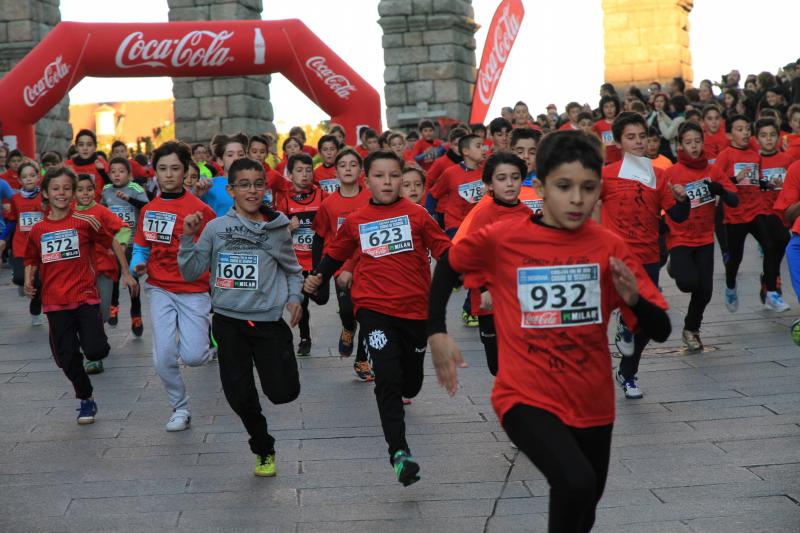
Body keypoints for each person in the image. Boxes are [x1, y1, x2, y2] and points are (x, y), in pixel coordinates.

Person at [427, 130, 670, 533]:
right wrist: (436, 332)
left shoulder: (608, 246)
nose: (576, 199)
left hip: (593, 402)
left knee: (584, 509)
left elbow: (660, 329)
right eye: (563, 186)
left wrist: (635, 300)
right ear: (539, 188)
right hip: (525, 397)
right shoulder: (504, 238)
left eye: (588, 188)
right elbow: (449, 265)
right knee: (576, 481)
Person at [304, 151, 451, 486]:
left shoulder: (418, 215)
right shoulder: (357, 219)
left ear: (402, 179)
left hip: (415, 311)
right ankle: (399, 453)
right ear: (367, 181)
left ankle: (406, 386)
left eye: (394, 176)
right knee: (387, 378)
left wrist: (468, 273)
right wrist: (318, 277)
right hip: (373, 309)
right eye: (379, 176)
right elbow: (335, 253)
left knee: (410, 383)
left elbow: (445, 250)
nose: (387, 182)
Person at [178, 157, 303, 477]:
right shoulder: (215, 229)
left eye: (258, 184)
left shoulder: (277, 229)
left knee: (284, 393)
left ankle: (281, 371)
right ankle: (263, 447)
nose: (252, 190)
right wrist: (187, 240)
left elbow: (293, 270)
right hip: (228, 321)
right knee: (239, 394)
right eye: (244, 185)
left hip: (268, 323)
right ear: (231, 190)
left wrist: (294, 298)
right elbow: (191, 272)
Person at [602, 112, 689, 399]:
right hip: (615, 255)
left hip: (649, 255)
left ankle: (628, 373)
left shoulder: (659, 175)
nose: (639, 142)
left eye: (642, 136)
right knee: (622, 308)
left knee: (647, 321)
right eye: (631, 137)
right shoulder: (606, 174)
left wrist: (683, 200)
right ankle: (623, 322)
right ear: (618, 142)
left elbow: (678, 216)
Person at [131, 141, 217, 432]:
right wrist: (137, 265)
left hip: (194, 290)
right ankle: (180, 408)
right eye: (162, 168)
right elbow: (141, 247)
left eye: (175, 169)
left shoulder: (201, 210)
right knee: (163, 357)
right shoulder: (149, 210)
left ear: (185, 171)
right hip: (160, 288)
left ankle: (200, 339)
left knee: (194, 357)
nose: (168, 175)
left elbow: (213, 251)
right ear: (154, 172)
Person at [23, 167, 120, 425]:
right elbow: (31, 257)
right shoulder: (38, 229)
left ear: (74, 192)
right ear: (46, 193)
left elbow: (109, 240)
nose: (61, 193)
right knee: (66, 358)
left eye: (67, 188)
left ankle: (96, 345)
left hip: (85, 296)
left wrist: (124, 269)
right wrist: (29, 281)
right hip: (55, 302)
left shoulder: (85, 222)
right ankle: (85, 398)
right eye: (55, 188)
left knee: (96, 350)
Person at [664, 122, 739, 350]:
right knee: (688, 283)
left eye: (697, 141)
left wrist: (721, 190)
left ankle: (691, 329)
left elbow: (734, 200)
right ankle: (676, 266)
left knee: (705, 291)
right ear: (680, 145)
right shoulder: (671, 173)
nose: (694, 146)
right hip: (679, 237)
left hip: (705, 238)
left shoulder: (712, 170)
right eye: (689, 142)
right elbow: (662, 205)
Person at [713, 116, 789, 313]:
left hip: (756, 211)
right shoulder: (725, 156)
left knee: (769, 246)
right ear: (729, 135)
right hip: (735, 215)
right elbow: (715, 182)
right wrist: (734, 179)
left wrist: (768, 184)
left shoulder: (755, 155)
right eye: (739, 129)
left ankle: (771, 292)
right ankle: (730, 286)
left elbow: (756, 181)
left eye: (747, 128)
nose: (745, 133)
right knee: (735, 259)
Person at [310, 148, 372, 378]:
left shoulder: (371, 198)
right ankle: (348, 327)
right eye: (343, 165)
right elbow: (319, 237)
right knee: (347, 311)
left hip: (368, 263)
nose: (348, 169)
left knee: (367, 314)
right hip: (340, 265)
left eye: (353, 164)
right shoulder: (329, 204)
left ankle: (362, 361)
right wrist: (318, 272)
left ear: (361, 170)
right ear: (335, 172)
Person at [428, 134, 486, 327]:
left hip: (479, 226)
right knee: (464, 265)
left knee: (477, 265)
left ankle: (470, 309)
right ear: (466, 151)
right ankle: (454, 277)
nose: (483, 149)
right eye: (478, 145)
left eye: (483, 145)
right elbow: (433, 195)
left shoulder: (487, 171)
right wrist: (427, 216)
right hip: (456, 226)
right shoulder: (450, 173)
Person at [274, 153, 327, 356]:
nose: (304, 174)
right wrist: (288, 227)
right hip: (296, 261)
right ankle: (305, 339)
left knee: (321, 298)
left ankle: (307, 292)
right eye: (299, 170)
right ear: (290, 174)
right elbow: (277, 232)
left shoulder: (322, 196)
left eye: (308, 170)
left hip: (317, 259)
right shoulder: (285, 200)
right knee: (302, 301)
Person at [102, 156, 149, 335]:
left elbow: (146, 207)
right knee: (113, 277)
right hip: (113, 244)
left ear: (129, 174)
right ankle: (113, 306)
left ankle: (136, 314)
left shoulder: (135, 189)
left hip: (132, 243)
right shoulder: (106, 190)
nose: (117, 175)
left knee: (132, 281)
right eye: (113, 172)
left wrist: (129, 199)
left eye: (121, 171)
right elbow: (101, 210)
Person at [6, 162, 45, 325]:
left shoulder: (44, 196)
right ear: (20, 180)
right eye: (24, 177)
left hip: (41, 246)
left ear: (38, 177)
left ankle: (35, 311)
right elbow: (12, 220)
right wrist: (3, 239)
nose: (28, 179)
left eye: (32, 175)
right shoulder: (15, 199)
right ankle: (22, 282)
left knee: (38, 282)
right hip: (21, 245)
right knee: (20, 278)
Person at [195, 133, 247, 216]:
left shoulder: (255, 184)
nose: (236, 158)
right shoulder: (209, 185)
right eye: (230, 155)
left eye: (241, 155)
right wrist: (197, 195)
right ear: (220, 161)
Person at [64, 129, 109, 202]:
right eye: (81, 145)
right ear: (76, 147)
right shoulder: (67, 165)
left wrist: (102, 172)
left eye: (89, 145)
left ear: (95, 147)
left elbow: (112, 186)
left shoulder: (102, 164)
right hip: (73, 206)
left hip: (96, 206)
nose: (85, 148)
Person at [592, 95, 622, 164]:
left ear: (617, 107)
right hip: (606, 161)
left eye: (612, 106)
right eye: (606, 107)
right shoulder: (597, 125)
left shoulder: (622, 122)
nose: (609, 109)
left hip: (622, 159)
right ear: (602, 109)